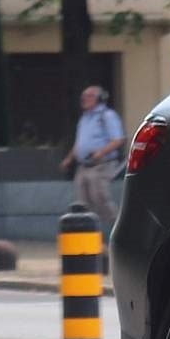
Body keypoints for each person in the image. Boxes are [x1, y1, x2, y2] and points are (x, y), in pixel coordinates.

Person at [62, 85, 126, 236]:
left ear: (99, 98)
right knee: (82, 202)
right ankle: (89, 234)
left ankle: (118, 231)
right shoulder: (84, 118)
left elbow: (118, 140)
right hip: (83, 166)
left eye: (89, 96)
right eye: (83, 96)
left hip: (101, 165)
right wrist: (69, 159)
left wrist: (101, 152)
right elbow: (79, 143)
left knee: (100, 198)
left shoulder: (107, 116)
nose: (84, 99)